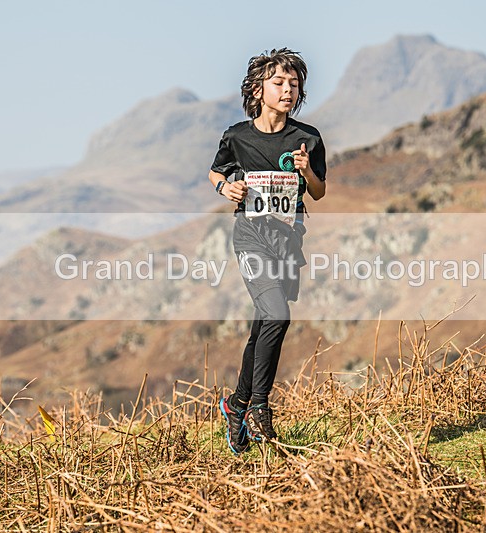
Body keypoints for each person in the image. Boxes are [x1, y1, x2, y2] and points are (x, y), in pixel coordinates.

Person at [209, 48, 327, 454]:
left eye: (294, 85)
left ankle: (235, 404)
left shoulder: (307, 138)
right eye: (279, 83)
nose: (288, 91)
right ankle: (259, 408)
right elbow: (215, 171)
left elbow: (319, 190)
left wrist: (306, 170)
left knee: (266, 322)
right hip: (250, 236)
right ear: (258, 89)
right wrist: (227, 188)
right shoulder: (237, 136)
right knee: (277, 314)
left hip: (288, 241)